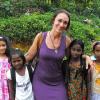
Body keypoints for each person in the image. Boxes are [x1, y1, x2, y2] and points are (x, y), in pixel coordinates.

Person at [25, 9, 71, 100]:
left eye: (65, 23)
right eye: (59, 20)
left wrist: (87, 58)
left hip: (58, 81)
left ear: (67, 26)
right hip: (40, 81)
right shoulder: (41, 37)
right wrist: (8, 61)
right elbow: (28, 56)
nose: (61, 24)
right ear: (53, 20)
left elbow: (73, 58)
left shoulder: (66, 40)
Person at [0, 35, 11, 100]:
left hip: (7, 85)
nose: (1, 48)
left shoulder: (10, 58)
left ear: (7, 45)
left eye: (3, 45)